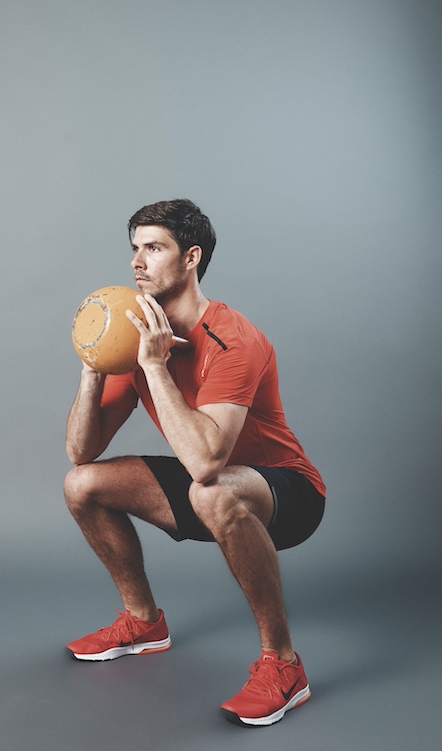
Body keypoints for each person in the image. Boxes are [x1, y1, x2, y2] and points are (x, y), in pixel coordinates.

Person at [64, 199, 326, 727]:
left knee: (211, 490)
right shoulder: (138, 337)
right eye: (134, 249)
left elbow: (207, 462)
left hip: (287, 493)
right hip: (207, 481)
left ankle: (284, 665)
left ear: (191, 258)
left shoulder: (233, 338)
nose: (138, 262)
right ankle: (143, 623)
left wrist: (155, 369)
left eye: (154, 248)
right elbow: (80, 450)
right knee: (81, 484)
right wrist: (93, 366)